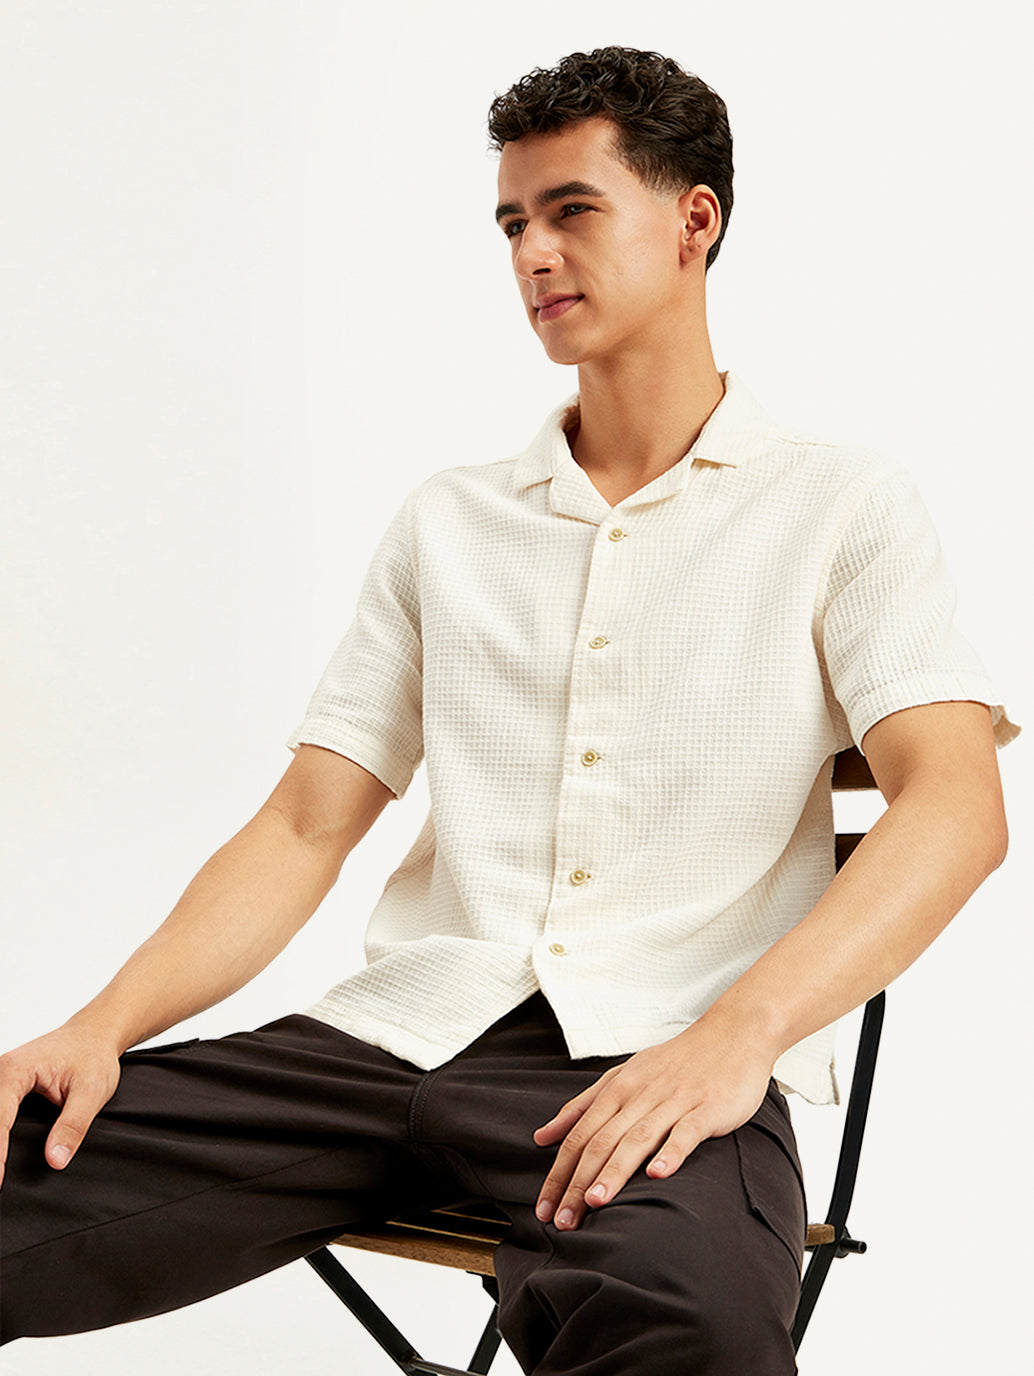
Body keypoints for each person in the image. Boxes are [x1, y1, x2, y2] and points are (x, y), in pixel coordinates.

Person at [0, 44, 1018, 1375]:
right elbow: (307, 823)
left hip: (655, 1063)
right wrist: (100, 1026)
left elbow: (955, 807)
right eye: (512, 224)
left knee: (692, 1330)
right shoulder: (451, 522)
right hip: (385, 1043)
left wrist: (739, 1039)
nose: (533, 253)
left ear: (693, 220)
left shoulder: (841, 507)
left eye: (572, 211)